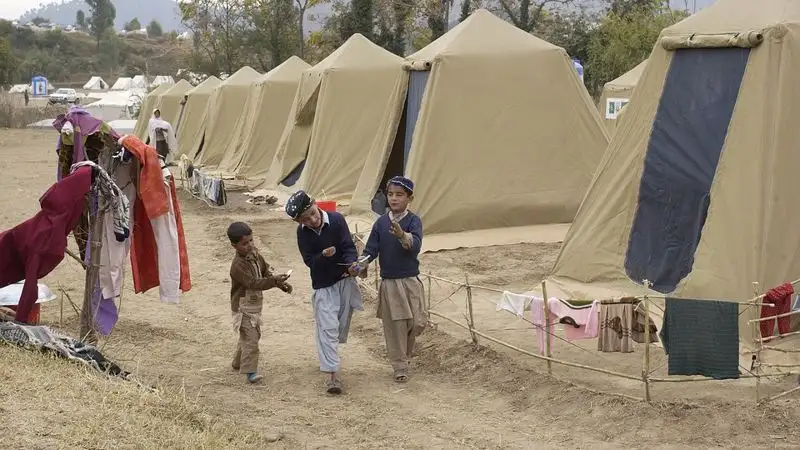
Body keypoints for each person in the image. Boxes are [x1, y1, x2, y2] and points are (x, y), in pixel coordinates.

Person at [349, 176, 426, 383]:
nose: (394, 198)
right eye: (391, 194)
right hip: (390, 283)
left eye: (399, 195)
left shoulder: (414, 221)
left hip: (410, 281)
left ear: (410, 198)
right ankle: (399, 365)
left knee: (416, 323)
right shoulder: (381, 223)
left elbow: (416, 245)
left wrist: (402, 235)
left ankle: (405, 356)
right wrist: (361, 264)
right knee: (395, 326)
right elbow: (371, 249)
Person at [286, 190, 363, 395]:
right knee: (327, 328)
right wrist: (323, 255)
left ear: (316, 204)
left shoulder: (337, 220)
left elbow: (348, 246)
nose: (312, 220)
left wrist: (352, 264)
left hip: (344, 280)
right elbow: (309, 261)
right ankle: (332, 376)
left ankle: (327, 356)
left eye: (312, 213)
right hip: (323, 285)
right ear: (299, 222)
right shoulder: (303, 233)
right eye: (305, 219)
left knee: (339, 326)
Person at [227, 222, 292, 384]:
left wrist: (280, 283)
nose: (249, 245)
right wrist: (274, 281)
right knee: (251, 338)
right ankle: (250, 371)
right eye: (244, 243)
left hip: (254, 304)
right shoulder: (237, 266)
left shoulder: (255, 254)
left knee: (250, 335)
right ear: (234, 245)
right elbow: (254, 283)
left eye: (251, 241)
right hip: (243, 307)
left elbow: (264, 270)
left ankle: (237, 362)